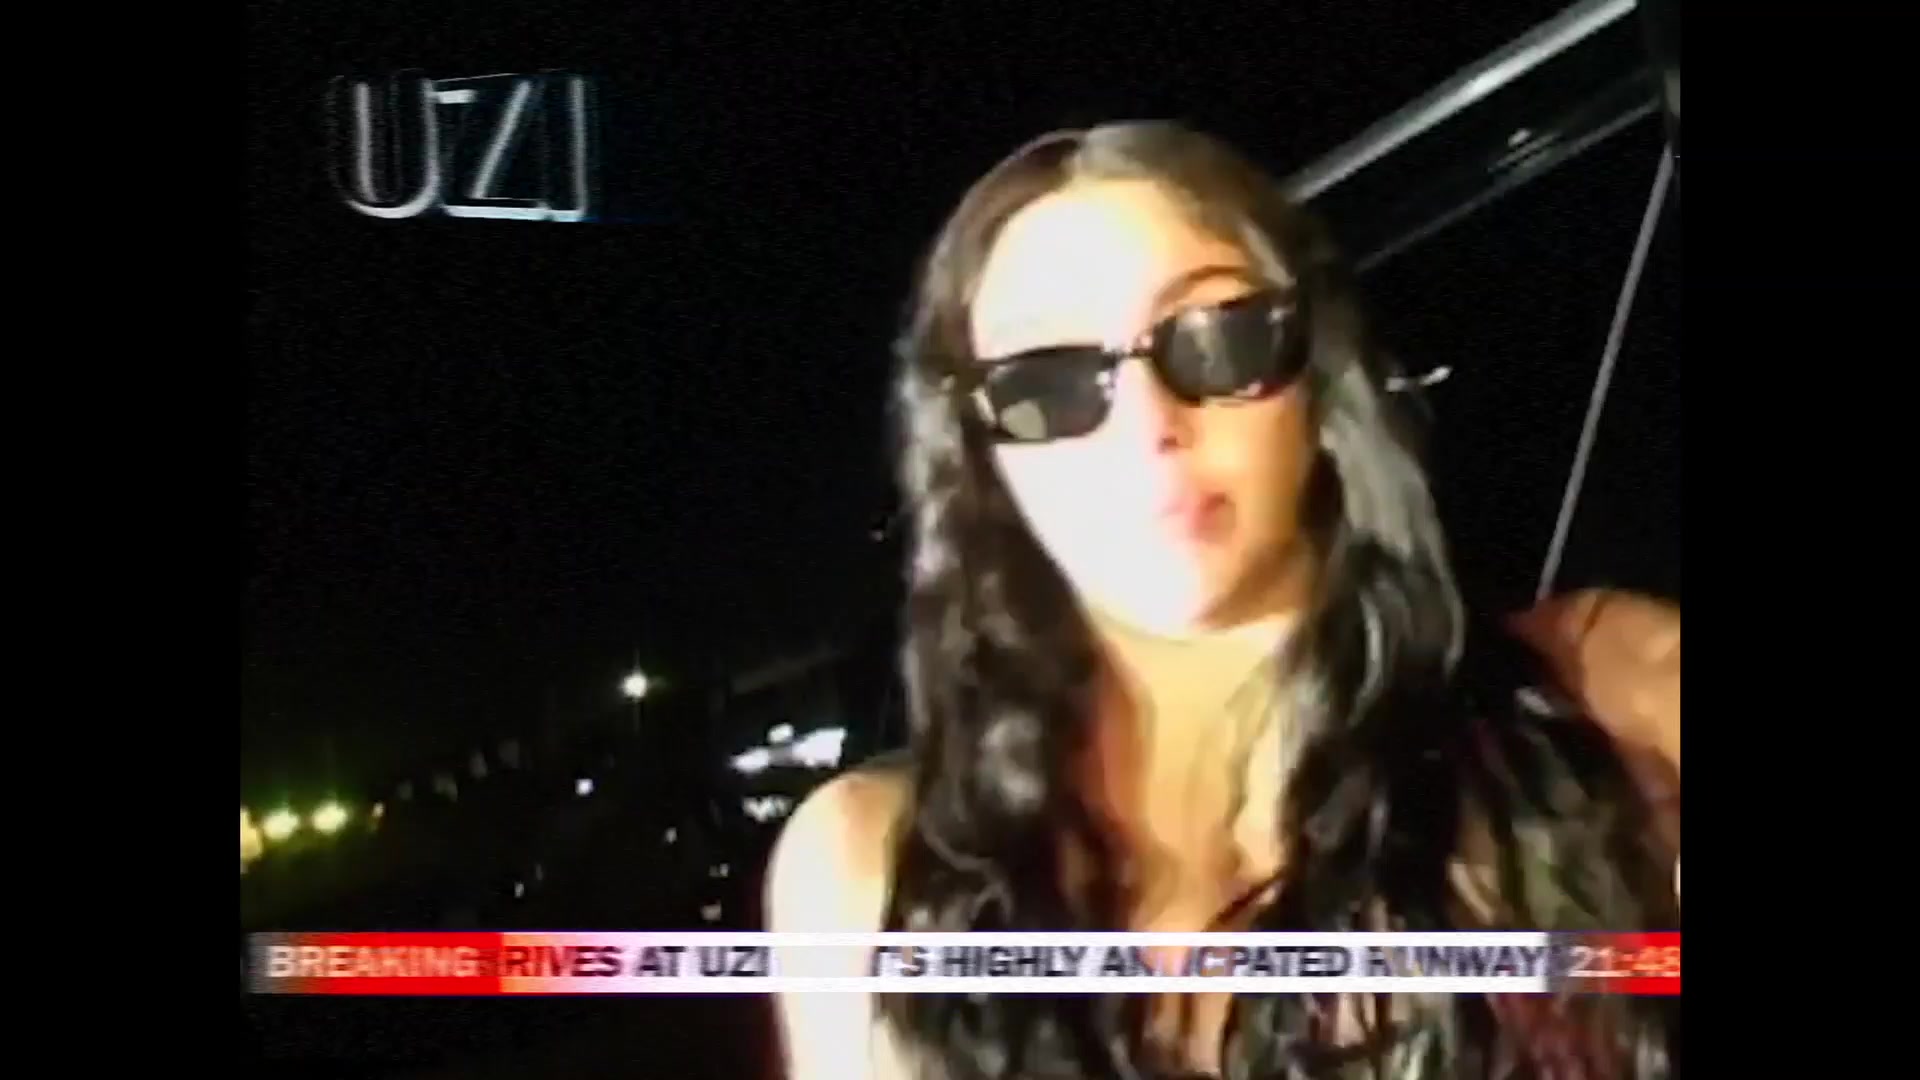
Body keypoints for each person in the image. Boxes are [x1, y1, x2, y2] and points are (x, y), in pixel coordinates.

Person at [767, 122, 1679, 1079]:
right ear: (980, 460)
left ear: (1316, 376)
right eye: (1046, 381)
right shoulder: (869, 876)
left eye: (1215, 336)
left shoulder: (1618, 703)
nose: (1149, 424)